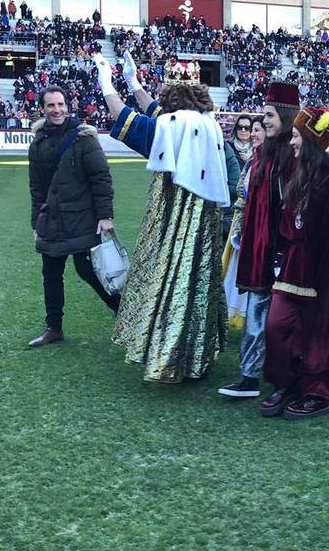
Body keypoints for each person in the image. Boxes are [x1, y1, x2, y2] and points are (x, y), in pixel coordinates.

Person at [95, 52, 229, 383]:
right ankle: (199, 355)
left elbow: (129, 120)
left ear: (170, 92)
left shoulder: (174, 126)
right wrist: (134, 83)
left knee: (171, 281)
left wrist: (106, 83)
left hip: (175, 221)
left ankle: (169, 357)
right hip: (204, 223)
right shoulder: (204, 123)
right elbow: (156, 114)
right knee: (198, 283)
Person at [260, 106, 329, 420]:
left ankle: (317, 391)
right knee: (278, 327)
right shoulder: (299, 175)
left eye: (295, 136)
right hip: (293, 268)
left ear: (310, 141)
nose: (290, 142)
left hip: (325, 275)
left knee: (320, 333)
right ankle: (287, 382)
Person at [217, 81, 298, 399]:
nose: (262, 122)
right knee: (255, 313)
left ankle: (284, 378)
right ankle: (249, 377)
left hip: (283, 254)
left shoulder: (293, 157)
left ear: (286, 115)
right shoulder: (263, 156)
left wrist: (282, 249)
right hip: (260, 249)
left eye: (269, 115)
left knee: (280, 321)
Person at [27, 84, 118, 349]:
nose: (57, 110)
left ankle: (123, 312)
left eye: (60, 104)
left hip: (81, 218)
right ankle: (54, 328)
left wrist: (105, 215)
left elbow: (101, 178)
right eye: (51, 105)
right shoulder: (38, 142)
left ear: (68, 106)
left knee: (89, 271)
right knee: (51, 274)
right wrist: (37, 221)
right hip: (51, 220)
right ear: (42, 109)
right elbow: (37, 187)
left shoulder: (83, 139)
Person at [222, 117, 265, 329]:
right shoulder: (241, 154)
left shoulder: (265, 160)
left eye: (254, 129)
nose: (248, 132)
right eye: (244, 128)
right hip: (239, 222)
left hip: (254, 226)